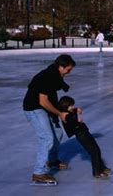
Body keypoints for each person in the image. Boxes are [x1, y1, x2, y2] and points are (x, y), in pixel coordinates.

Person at [23, 54, 76, 185]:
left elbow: (51, 99)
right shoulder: (48, 77)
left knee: (58, 134)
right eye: (68, 70)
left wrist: (64, 111)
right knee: (46, 138)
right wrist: (59, 113)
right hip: (34, 108)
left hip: (44, 108)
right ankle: (38, 173)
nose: (69, 73)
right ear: (61, 67)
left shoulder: (55, 75)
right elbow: (43, 101)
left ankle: (52, 160)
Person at [58, 96, 111, 179]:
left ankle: (101, 167)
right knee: (94, 152)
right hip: (81, 135)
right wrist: (78, 117)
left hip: (84, 133)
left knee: (96, 150)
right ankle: (97, 172)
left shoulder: (68, 112)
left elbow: (74, 112)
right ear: (65, 106)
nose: (72, 107)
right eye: (71, 106)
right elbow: (74, 121)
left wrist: (76, 110)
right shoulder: (65, 115)